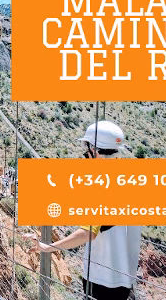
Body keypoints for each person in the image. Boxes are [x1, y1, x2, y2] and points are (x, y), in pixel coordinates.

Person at [26, 121, 139, 300]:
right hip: (125, 281)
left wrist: (48, 247)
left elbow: (87, 233)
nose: (85, 155)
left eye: (87, 150)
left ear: (94, 151)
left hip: (102, 282)